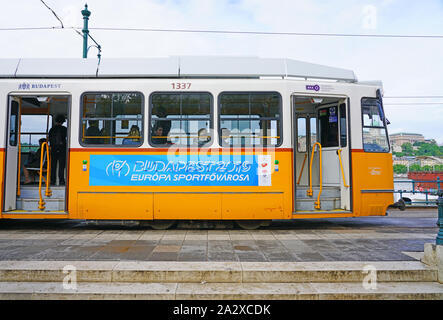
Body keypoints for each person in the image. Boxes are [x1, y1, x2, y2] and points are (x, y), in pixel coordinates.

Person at [48, 114, 67, 185]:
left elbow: (49, 138)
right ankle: (61, 181)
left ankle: (52, 181)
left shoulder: (52, 129)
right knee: (61, 166)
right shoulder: (65, 129)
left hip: (53, 149)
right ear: (62, 121)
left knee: (53, 165)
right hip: (62, 149)